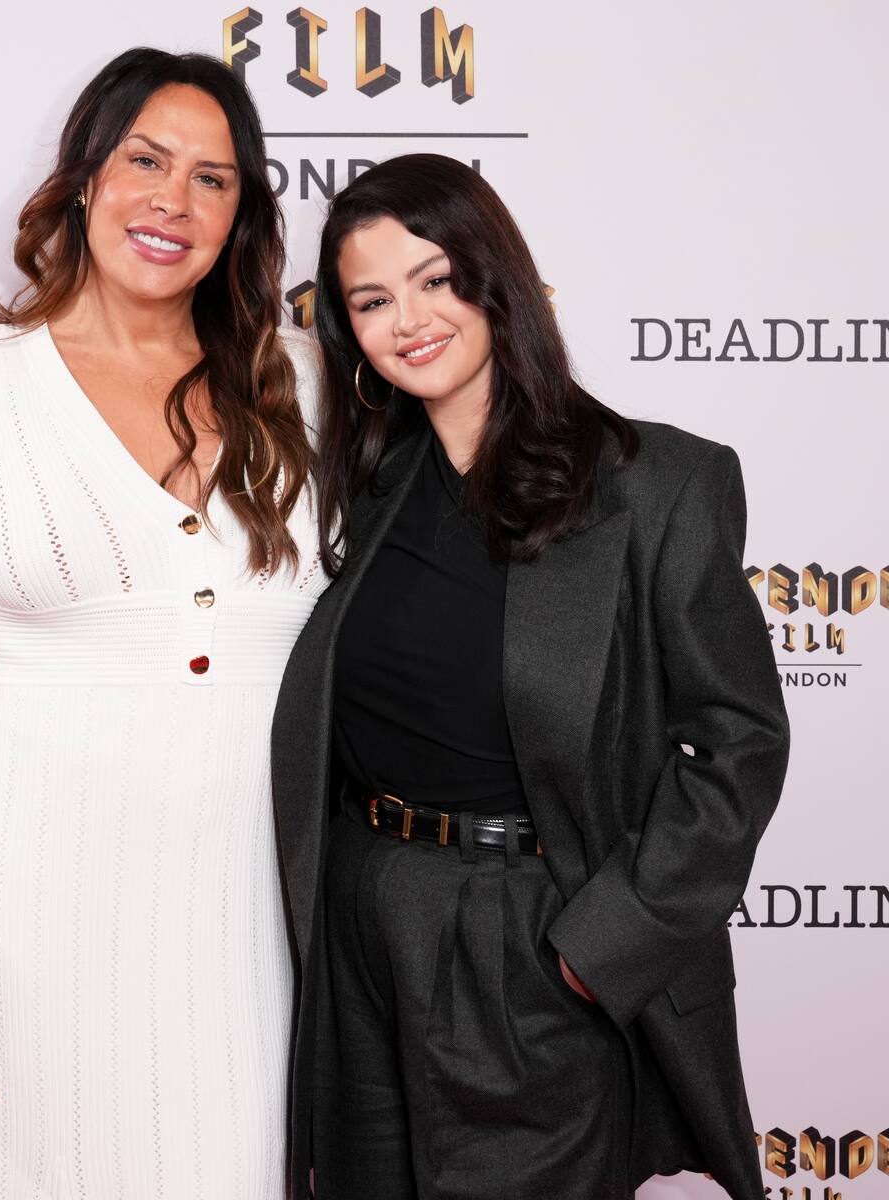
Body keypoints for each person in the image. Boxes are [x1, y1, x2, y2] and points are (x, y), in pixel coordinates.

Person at [0, 48, 324, 1199]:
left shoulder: (308, 384)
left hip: (251, 926)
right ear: (87, 177)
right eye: (146, 161)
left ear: (242, 214)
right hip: (19, 915)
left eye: (212, 179)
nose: (173, 201)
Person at [269, 153, 790, 1200]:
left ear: (495, 279)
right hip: (365, 922)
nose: (409, 319)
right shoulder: (369, 484)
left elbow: (739, 741)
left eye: (435, 279)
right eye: (372, 301)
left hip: (529, 936)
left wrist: (601, 946)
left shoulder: (658, 484)